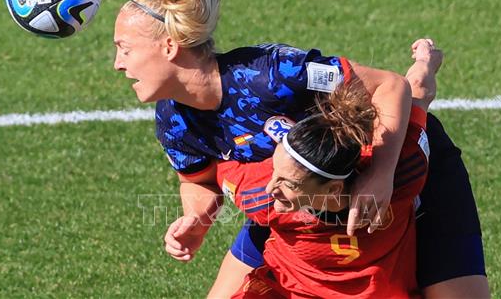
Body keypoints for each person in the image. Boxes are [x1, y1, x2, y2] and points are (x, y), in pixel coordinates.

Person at [113, 0, 489, 298]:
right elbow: (199, 180)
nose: (118, 64)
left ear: (169, 46)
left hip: (398, 172)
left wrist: (381, 173)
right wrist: (196, 218)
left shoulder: (270, 75)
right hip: (292, 202)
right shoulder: (173, 119)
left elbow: (391, 87)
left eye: (124, 48)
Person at [173, 39, 439, 298]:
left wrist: (426, 61)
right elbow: (204, 174)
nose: (271, 187)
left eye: (288, 183)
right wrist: (194, 218)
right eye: (275, 172)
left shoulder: (404, 170)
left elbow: (417, 92)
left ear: (333, 188)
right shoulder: (257, 192)